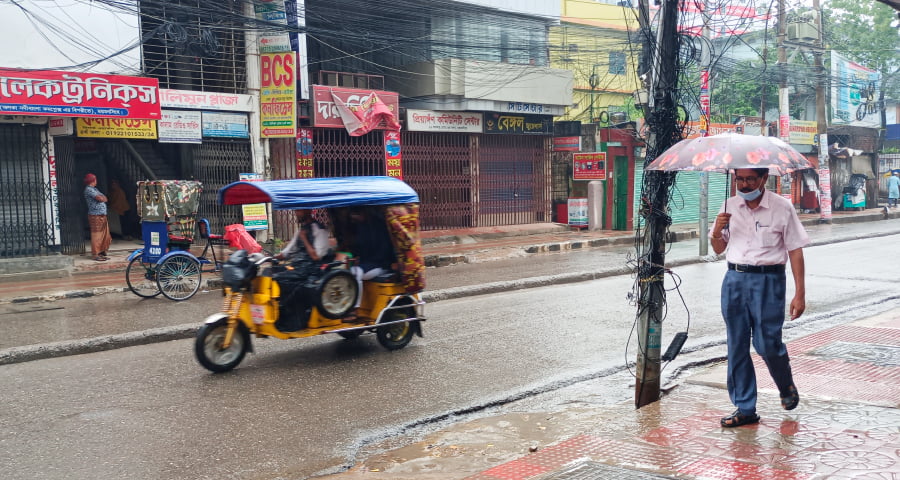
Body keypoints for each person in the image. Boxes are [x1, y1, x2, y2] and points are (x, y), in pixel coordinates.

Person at [709, 167, 809, 428]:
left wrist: (800, 294)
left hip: (769, 281)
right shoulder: (728, 206)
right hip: (734, 280)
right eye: (739, 179)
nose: (743, 184)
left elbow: (795, 251)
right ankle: (745, 407)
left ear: (764, 179)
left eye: (749, 179)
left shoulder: (781, 207)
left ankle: (785, 384)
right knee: (737, 345)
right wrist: (717, 231)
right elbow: (719, 249)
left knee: (766, 343)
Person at [272, 210, 330, 332]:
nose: (296, 214)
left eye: (298, 211)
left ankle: (289, 318)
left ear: (307, 211)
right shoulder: (301, 230)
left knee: (280, 279)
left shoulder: (320, 230)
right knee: (271, 273)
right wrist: (270, 257)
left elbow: (316, 256)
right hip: (298, 266)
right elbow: (287, 252)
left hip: (312, 270)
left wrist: (304, 239)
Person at [336, 207, 397, 321]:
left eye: (357, 214)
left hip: (381, 265)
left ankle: (354, 309)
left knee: (355, 272)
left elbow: (383, 251)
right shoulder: (362, 227)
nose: (354, 217)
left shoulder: (379, 228)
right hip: (367, 263)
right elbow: (358, 248)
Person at [83, 173, 111, 262]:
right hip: (95, 215)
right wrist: (103, 198)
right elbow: (101, 198)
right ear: (93, 181)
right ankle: (95, 254)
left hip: (101, 215)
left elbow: (105, 198)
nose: (96, 181)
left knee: (104, 234)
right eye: (95, 180)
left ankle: (101, 251)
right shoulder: (89, 190)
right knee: (97, 235)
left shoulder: (94, 189)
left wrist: (103, 198)